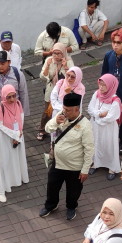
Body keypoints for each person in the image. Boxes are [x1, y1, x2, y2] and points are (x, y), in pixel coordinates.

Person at [40, 92, 94, 221]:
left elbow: (89, 149)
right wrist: (55, 122)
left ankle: (71, 207)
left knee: (73, 190)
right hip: (57, 163)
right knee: (52, 186)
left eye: (68, 110)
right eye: (64, 109)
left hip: (75, 167)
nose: (65, 112)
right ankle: (51, 205)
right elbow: (47, 129)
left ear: (77, 109)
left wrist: (85, 169)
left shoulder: (85, 125)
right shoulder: (61, 116)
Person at [0, 85, 29, 202]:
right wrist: (15, 135)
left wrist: (20, 132)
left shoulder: (18, 103)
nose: (12, 99)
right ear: (3, 96)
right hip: (4, 137)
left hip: (17, 135)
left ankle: (18, 179)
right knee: (4, 162)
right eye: (9, 97)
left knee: (17, 158)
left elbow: (21, 117)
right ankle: (1, 190)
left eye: (14, 96)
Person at [37, 43, 75, 141]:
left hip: (64, 92)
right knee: (47, 111)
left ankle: (61, 130)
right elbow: (42, 76)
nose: (56, 56)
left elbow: (72, 78)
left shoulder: (69, 61)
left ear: (63, 53)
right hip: (51, 90)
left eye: (59, 53)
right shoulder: (49, 60)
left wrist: (65, 67)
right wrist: (47, 66)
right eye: (54, 53)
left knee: (64, 111)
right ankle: (42, 129)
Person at [87, 74, 122, 180]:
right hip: (95, 125)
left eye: (104, 85)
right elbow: (90, 108)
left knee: (108, 145)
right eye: (100, 85)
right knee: (95, 143)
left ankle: (112, 167)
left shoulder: (115, 100)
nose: (101, 88)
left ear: (111, 86)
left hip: (108, 128)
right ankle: (95, 163)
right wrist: (101, 114)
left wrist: (97, 116)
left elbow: (111, 116)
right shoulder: (96, 94)